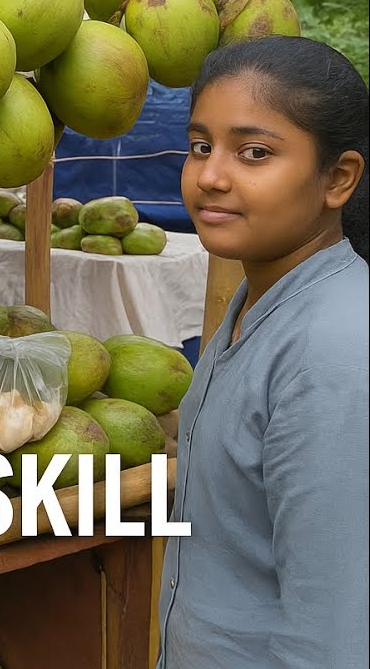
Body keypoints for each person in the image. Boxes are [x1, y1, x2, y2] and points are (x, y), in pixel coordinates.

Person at [157, 36, 369, 668]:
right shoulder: (259, 300)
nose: (211, 176)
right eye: (201, 147)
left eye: (254, 153)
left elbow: (333, 634)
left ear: (338, 179)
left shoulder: (333, 349)